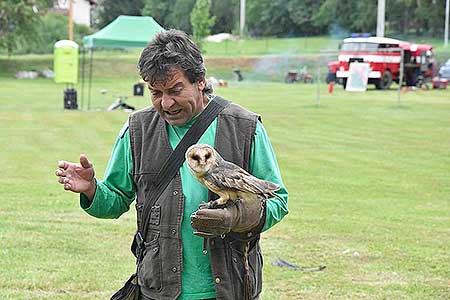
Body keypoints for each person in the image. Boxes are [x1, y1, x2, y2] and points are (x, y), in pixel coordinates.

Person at [55, 29, 288, 300]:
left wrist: (236, 217)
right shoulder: (136, 130)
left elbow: (277, 201)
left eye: (175, 90)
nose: (166, 103)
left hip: (231, 288)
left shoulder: (244, 127)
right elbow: (116, 200)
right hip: (159, 289)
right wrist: (92, 190)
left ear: (200, 81)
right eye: (155, 93)